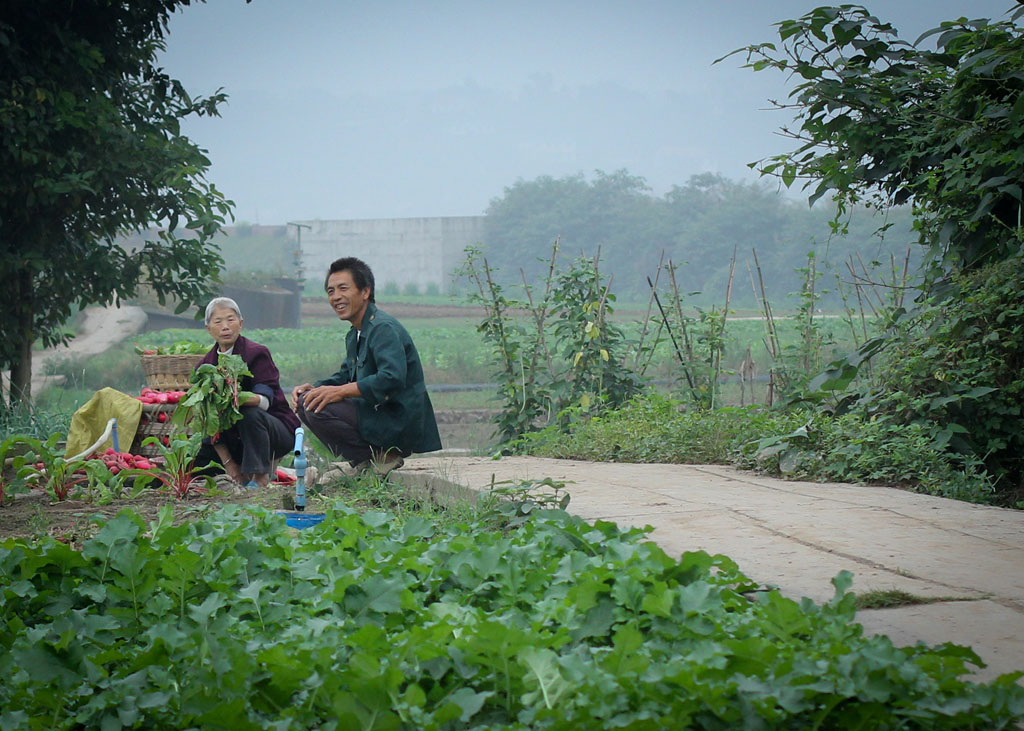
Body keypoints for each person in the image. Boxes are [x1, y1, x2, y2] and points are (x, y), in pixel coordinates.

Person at [292, 257, 442, 477]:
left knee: (316, 405)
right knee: (309, 400)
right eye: (331, 291)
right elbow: (345, 375)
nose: (336, 297)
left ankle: (386, 455)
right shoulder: (356, 333)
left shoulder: (382, 328)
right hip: (375, 412)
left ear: (365, 292)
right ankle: (366, 459)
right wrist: (314, 387)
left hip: (396, 419)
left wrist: (339, 392)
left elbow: (391, 378)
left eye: (343, 288)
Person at [194, 297, 300, 487]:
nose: (225, 327)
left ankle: (260, 477)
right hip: (235, 440)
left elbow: (264, 402)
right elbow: (210, 424)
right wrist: (229, 465)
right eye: (218, 322)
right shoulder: (205, 366)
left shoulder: (256, 353)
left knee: (248, 413)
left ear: (240, 324)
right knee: (198, 458)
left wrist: (231, 395)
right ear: (209, 329)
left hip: (275, 430)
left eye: (230, 320)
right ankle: (237, 474)